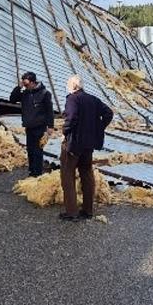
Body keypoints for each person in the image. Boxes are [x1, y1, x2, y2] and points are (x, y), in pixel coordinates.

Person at [60, 75, 113, 221]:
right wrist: (99, 127)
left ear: (73, 86)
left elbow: (71, 118)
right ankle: (88, 210)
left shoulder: (72, 99)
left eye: (68, 85)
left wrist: (65, 130)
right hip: (89, 144)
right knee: (86, 174)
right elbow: (109, 113)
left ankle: (71, 211)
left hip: (74, 143)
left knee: (67, 175)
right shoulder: (93, 99)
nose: (68, 87)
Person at [10, 72, 55, 177]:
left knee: (38, 150)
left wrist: (50, 126)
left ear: (33, 82)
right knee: (30, 150)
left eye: (27, 84)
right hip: (29, 126)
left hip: (40, 126)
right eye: (24, 85)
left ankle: (37, 173)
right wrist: (19, 87)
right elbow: (12, 99)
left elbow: (50, 111)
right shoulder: (25, 93)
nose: (26, 86)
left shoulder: (44, 93)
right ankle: (32, 172)